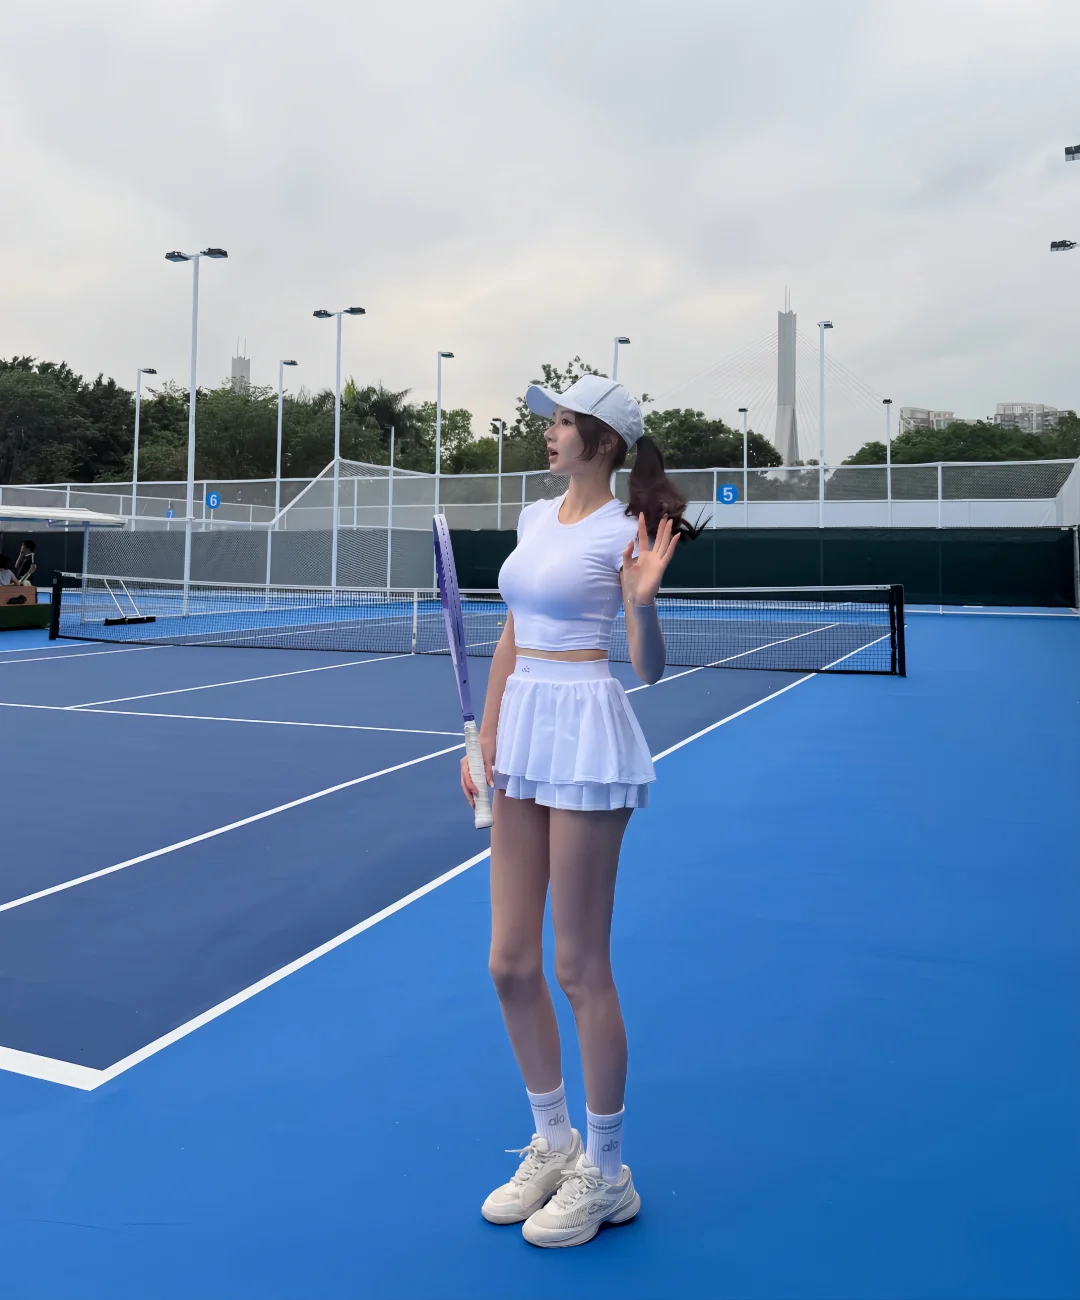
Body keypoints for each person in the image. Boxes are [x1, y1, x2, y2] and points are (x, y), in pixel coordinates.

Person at [462, 375, 699, 1249]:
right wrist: (483, 740)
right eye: (552, 420)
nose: (550, 431)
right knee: (508, 963)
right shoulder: (535, 516)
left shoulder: (624, 530)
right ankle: (553, 1141)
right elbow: (511, 633)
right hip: (521, 731)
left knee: (577, 965)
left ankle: (607, 1172)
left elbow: (648, 669)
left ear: (603, 441)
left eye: (565, 421)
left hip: (587, 731)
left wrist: (643, 603)